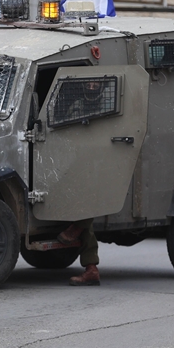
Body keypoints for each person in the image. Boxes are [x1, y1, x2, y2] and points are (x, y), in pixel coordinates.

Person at [55, 80, 111, 286]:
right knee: (85, 208)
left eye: (96, 83)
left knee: (87, 206)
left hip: (102, 161)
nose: (92, 85)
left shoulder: (108, 103)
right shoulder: (78, 104)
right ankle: (91, 269)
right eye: (89, 82)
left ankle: (77, 230)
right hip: (80, 160)